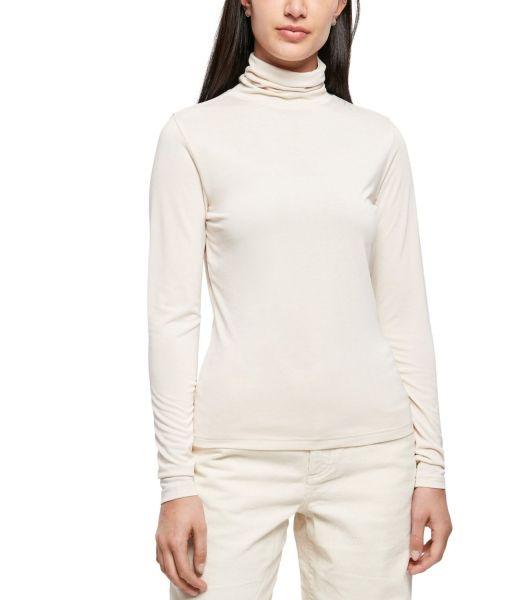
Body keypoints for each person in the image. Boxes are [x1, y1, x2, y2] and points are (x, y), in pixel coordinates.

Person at [147, 1, 452, 598]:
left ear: (340, 6)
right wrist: (175, 483)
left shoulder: (377, 139)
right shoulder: (192, 135)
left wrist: (431, 469)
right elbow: (172, 318)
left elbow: (404, 314)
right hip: (235, 458)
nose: (295, 7)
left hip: (372, 456)